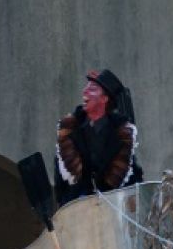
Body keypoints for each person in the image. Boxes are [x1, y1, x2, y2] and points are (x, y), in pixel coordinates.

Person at [54, 69, 142, 207]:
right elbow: (61, 184)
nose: (85, 91)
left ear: (104, 98)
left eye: (93, 89)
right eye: (86, 87)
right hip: (77, 210)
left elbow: (132, 181)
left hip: (112, 209)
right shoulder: (70, 131)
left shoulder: (122, 136)